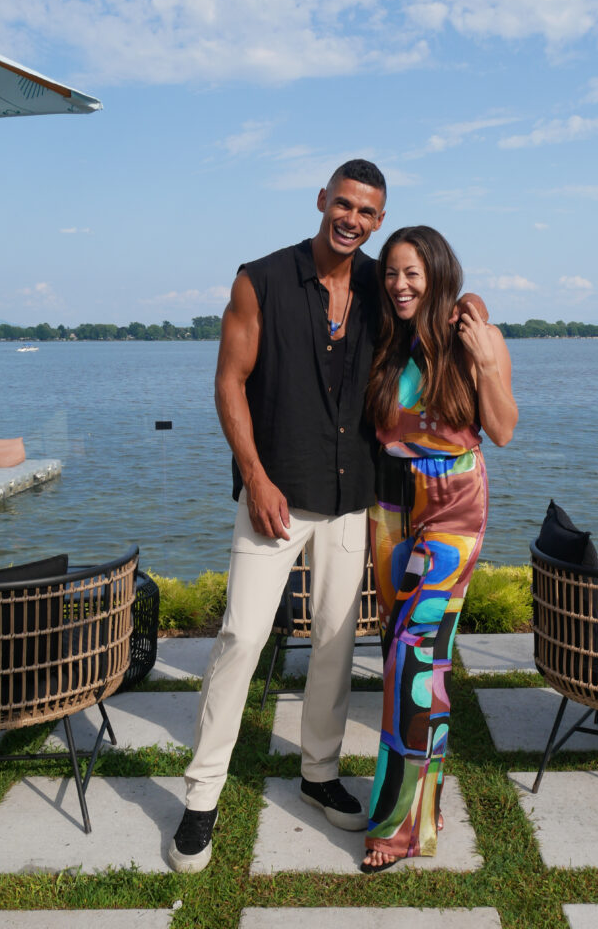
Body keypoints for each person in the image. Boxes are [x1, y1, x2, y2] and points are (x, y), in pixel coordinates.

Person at [168, 159, 387, 873]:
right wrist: (255, 478)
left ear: (377, 221)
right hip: (273, 497)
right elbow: (228, 381)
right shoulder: (257, 279)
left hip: (351, 499)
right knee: (239, 639)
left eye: (367, 212)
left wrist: (466, 304)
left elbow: (431, 314)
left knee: (333, 644)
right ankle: (201, 796)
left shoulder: (383, 286)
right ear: (322, 201)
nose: (351, 219)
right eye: (344, 204)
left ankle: (319, 773)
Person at [360, 225, 517, 872]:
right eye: (391, 273)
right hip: (389, 507)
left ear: (437, 275)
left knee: (410, 658)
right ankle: (428, 799)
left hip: (452, 504)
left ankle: (397, 828)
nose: (399, 284)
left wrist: (482, 357)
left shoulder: (472, 334)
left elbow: (502, 429)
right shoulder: (384, 342)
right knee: (414, 659)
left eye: (412, 273)